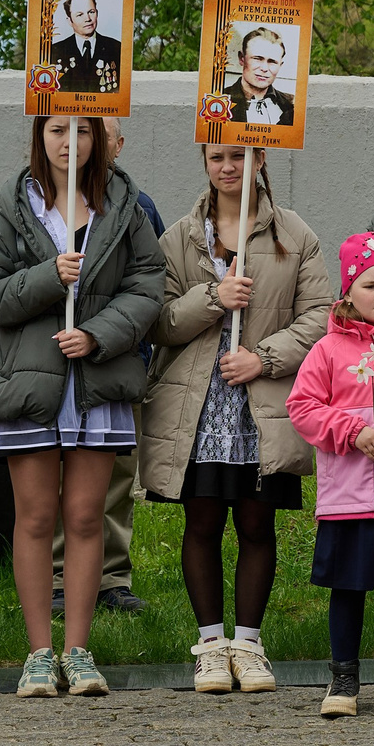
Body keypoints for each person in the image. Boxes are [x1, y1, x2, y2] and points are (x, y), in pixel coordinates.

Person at [0, 113, 168, 700]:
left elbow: (149, 284)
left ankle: (79, 653)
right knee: (34, 518)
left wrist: (99, 334)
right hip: (28, 385)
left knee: (84, 517)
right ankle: (37, 654)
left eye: (83, 129)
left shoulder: (124, 204)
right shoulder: (10, 203)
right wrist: (50, 277)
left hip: (96, 383)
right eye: (57, 128)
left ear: (99, 138)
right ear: (40, 135)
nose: (69, 140)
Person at [142, 143, 327, 695]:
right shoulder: (178, 237)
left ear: (261, 161)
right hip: (196, 406)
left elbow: (320, 315)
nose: (229, 168)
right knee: (199, 524)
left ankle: (248, 645)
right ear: (203, 160)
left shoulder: (294, 236)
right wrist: (213, 297)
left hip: (262, 404)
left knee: (256, 524)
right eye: (218, 157)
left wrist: (263, 357)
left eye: (240, 158)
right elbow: (158, 320)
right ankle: (211, 647)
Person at [290, 233, 374, 717]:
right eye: (372, 285)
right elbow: (302, 407)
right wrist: (349, 431)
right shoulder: (327, 350)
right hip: (346, 498)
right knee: (346, 588)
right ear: (349, 292)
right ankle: (343, 680)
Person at [55, 116, 159, 617]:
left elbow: (149, 282)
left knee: (114, 478)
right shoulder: (40, 202)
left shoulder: (137, 206)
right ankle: (59, 576)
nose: (80, 141)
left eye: (94, 131)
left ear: (116, 142)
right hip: (52, 365)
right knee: (54, 479)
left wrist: (111, 335)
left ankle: (111, 577)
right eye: (67, 130)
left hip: (116, 364)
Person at [49, 0, 123, 94]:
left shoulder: (117, 48)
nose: (87, 19)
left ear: (97, 13)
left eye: (91, 12)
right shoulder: (54, 51)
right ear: (69, 21)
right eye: (80, 15)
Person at [223, 27, 296, 127]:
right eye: (257, 59)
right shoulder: (221, 100)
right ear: (242, 59)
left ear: (280, 65)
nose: (264, 68)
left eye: (272, 62)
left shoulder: (291, 105)